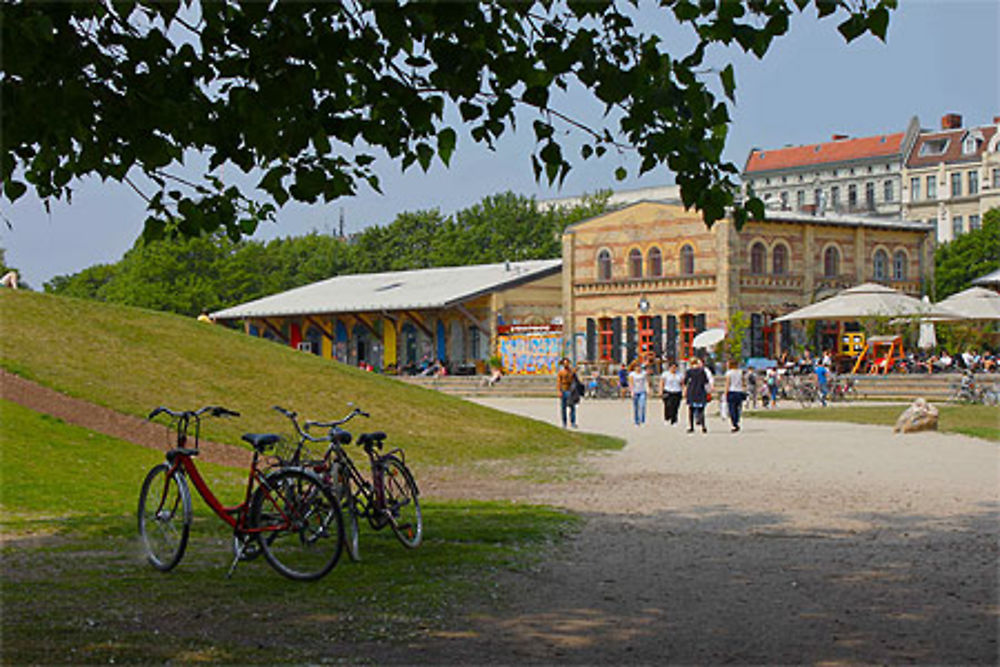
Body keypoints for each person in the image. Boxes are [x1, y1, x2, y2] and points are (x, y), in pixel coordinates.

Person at [683, 357, 711, 434]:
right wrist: (709, 391)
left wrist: (684, 391)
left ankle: (691, 427)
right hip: (701, 391)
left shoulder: (689, 372)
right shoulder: (702, 371)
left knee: (691, 410)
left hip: (692, 391)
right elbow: (706, 382)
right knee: (701, 410)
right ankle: (703, 426)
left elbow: (685, 382)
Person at [724, 359, 746, 433]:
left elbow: (728, 383)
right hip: (739, 391)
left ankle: (734, 423)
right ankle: (737, 420)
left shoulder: (729, 373)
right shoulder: (740, 372)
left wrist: (725, 392)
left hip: (731, 391)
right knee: (737, 408)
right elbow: (743, 382)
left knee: (731, 408)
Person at [659, 360, 683, 426]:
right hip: (668, 391)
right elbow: (662, 382)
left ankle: (674, 420)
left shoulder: (680, 374)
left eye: (675, 367)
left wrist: (684, 391)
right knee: (668, 405)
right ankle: (667, 418)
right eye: (672, 367)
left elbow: (682, 383)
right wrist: (661, 391)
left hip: (677, 391)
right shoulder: (665, 374)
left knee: (675, 406)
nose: (674, 369)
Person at [557, 358, 578, 428]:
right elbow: (559, 382)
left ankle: (573, 422)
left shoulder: (571, 371)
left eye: (567, 363)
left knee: (572, 407)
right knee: (563, 408)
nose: (566, 364)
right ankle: (564, 422)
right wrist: (559, 391)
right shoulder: (561, 372)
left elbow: (575, 377)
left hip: (570, 390)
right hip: (564, 389)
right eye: (564, 363)